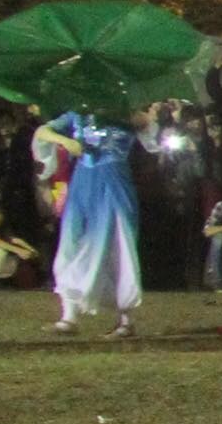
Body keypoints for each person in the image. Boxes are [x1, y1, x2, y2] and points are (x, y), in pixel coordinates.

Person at [38, 104, 144, 336]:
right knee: (72, 244)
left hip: (114, 184)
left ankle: (126, 320)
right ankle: (69, 317)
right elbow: (42, 132)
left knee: (119, 246)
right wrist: (65, 141)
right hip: (83, 184)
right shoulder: (77, 115)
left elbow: (150, 131)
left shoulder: (127, 115)